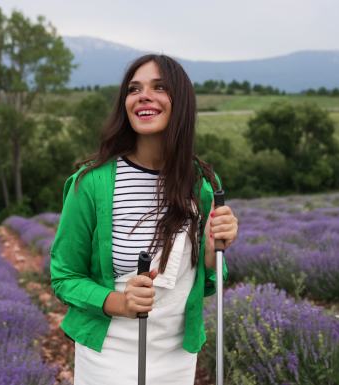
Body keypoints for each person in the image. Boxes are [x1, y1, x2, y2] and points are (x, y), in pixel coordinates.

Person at [50, 54, 239, 385]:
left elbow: (209, 280)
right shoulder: (90, 183)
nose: (143, 96)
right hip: (108, 354)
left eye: (159, 87)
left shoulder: (201, 184)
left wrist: (213, 251)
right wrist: (119, 302)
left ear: (180, 102)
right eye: (134, 88)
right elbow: (65, 277)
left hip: (177, 354)